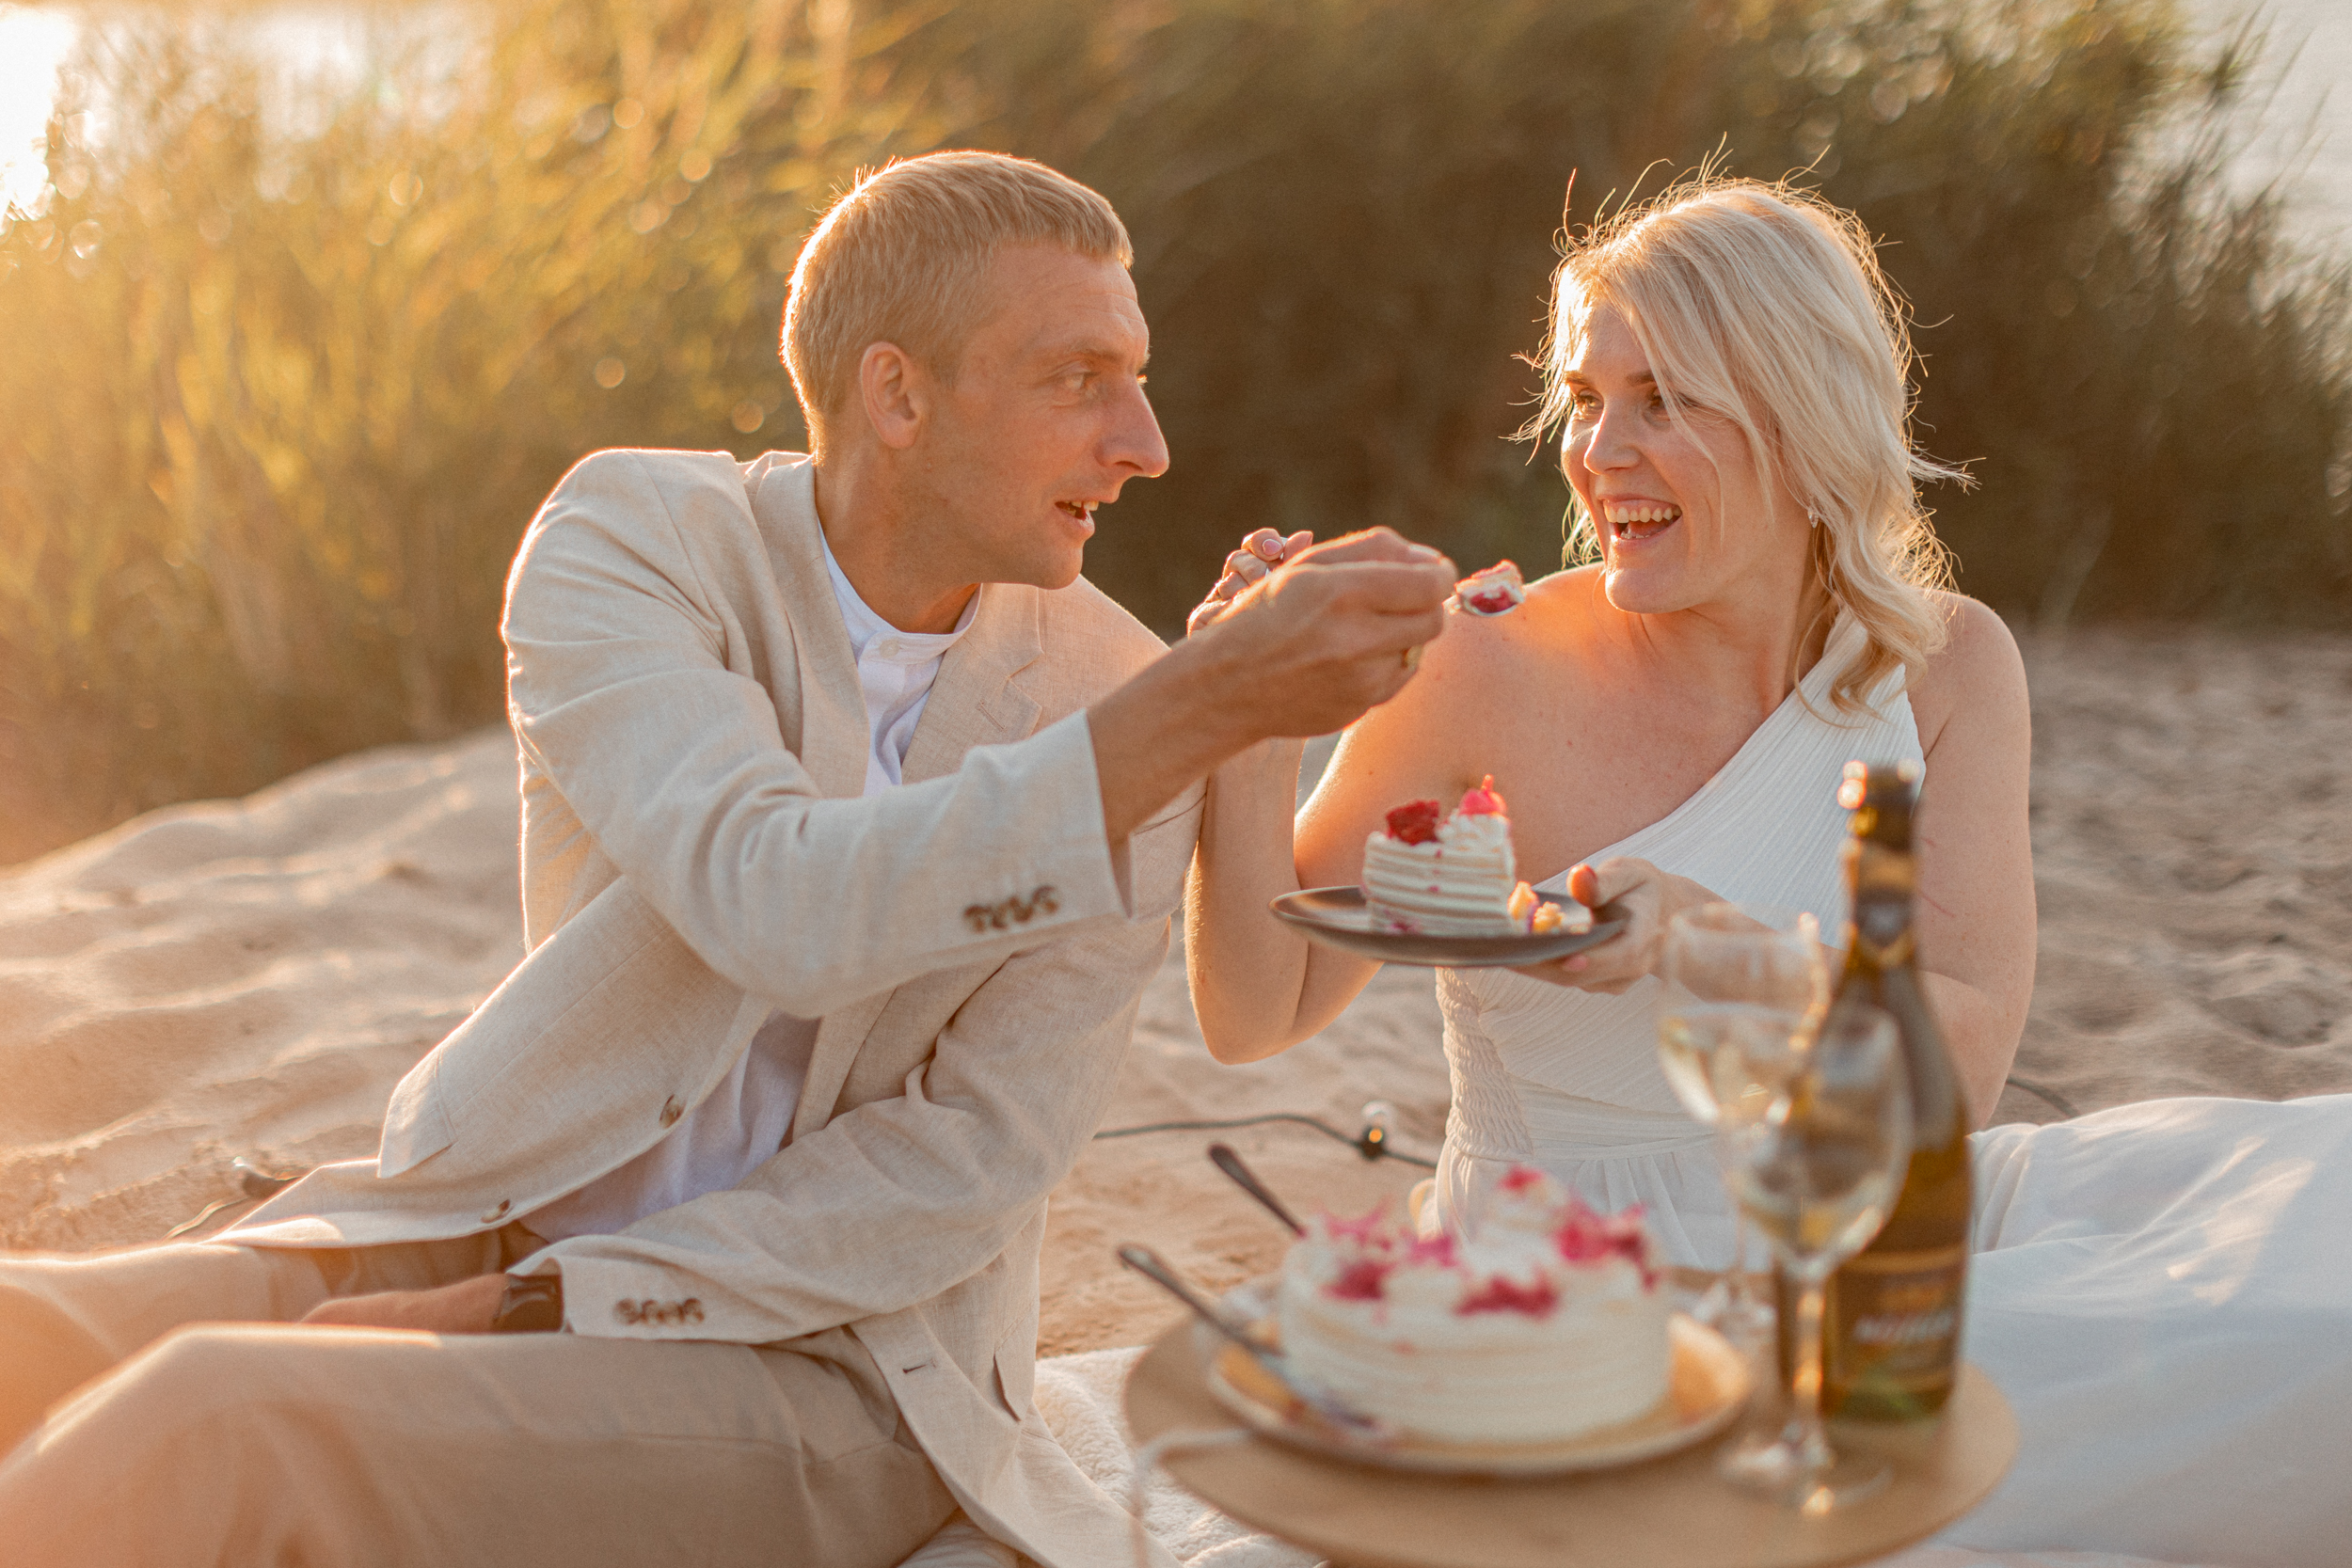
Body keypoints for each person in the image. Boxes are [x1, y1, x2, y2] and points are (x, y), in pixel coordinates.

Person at [0, 150, 1457, 1568]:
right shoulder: (634, 541)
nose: (1145, 443)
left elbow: (958, 1170)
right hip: (487, 1211)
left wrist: (542, 1308)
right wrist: (1200, 707)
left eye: (1137, 378)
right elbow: (777, 900)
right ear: (895, 392)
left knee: (220, 1420)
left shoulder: (1122, 701)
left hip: (840, 1371)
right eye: (1078, 379)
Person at [1184, 176, 2352, 1565]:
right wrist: (1241, 724)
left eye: (1663, 400)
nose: (1599, 449)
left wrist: (1714, 948)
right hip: (1573, 1289)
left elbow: (1960, 1071)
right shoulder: (1477, 665)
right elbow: (1256, 1012)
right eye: (1586, 396)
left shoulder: (1945, 665)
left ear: (1803, 419)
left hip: (1889, 1239)